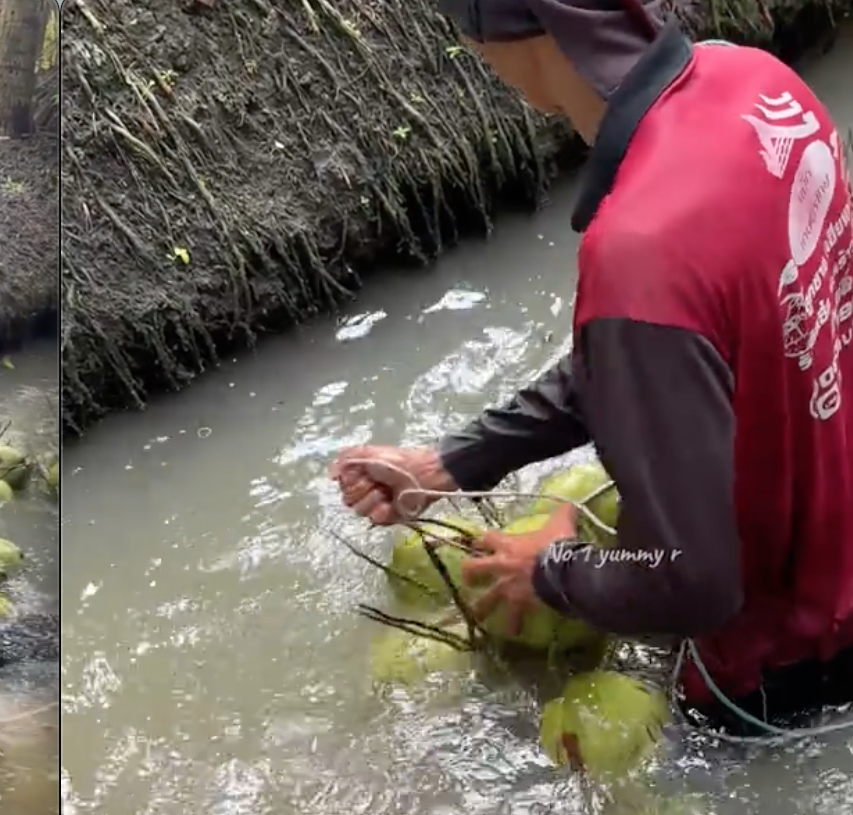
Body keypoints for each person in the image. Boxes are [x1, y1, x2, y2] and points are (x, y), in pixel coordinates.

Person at [331, 0, 853, 736]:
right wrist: (450, 464)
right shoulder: (760, 84)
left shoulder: (638, 249)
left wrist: (550, 573)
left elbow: (697, 586)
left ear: (503, 38)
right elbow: (669, 350)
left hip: (782, 660)